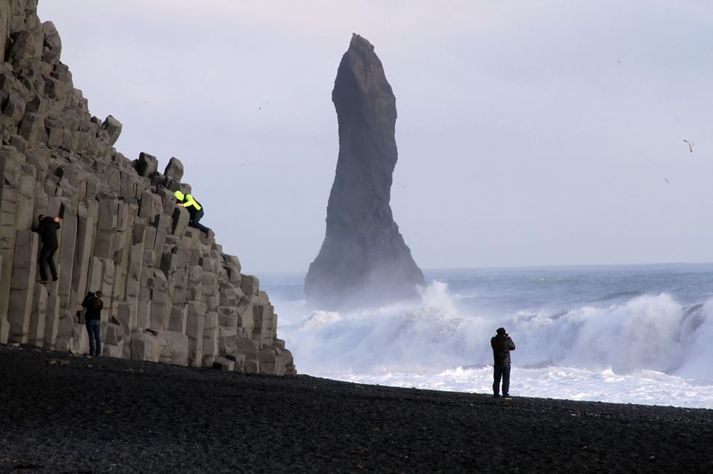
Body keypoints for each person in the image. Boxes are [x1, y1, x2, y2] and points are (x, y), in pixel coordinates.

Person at [33, 214, 61, 283]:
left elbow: (40, 230)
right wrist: (57, 221)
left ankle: (44, 278)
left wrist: (33, 229)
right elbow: (58, 226)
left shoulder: (43, 222)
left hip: (48, 244)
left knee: (42, 259)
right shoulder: (52, 221)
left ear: (40, 219)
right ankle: (55, 275)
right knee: (49, 258)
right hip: (55, 245)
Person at [491, 327, 516, 398]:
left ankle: (496, 394)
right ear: (504, 333)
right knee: (506, 380)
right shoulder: (507, 340)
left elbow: (494, 340)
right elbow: (513, 347)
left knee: (496, 380)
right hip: (506, 363)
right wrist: (509, 338)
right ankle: (505, 394)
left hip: (497, 363)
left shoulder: (494, 340)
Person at [82, 291, 103, 356]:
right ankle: (98, 352)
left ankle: (92, 352)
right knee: (97, 337)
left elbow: (83, 304)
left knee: (91, 337)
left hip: (90, 320)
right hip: (97, 321)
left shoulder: (90, 300)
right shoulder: (101, 302)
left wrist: (88, 296)